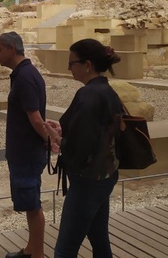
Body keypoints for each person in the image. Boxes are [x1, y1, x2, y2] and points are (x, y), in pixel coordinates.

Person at [44, 39, 123, 258]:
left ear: (87, 64)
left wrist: (57, 139)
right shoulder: (107, 91)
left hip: (88, 180)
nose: (69, 68)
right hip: (105, 175)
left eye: (72, 63)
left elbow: (83, 145)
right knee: (99, 238)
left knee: (65, 249)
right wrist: (64, 130)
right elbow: (98, 132)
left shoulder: (88, 95)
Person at [0, 32, 48, 258]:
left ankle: (37, 254)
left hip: (27, 153)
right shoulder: (25, 73)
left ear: (10, 49)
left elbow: (35, 118)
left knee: (32, 205)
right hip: (25, 151)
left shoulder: (25, 76)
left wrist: (53, 141)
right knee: (29, 202)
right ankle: (31, 249)